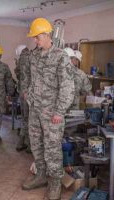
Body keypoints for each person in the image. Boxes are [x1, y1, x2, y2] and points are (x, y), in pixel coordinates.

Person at [21, 18, 75, 200]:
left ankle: (54, 183)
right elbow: (28, 77)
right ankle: (41, 175)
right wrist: (27, 92)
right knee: (36, 145)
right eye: (34, 38)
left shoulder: (61, 56)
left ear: (47, 35)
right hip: (35, 110)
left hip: (53, 113)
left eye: (37, 37)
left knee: (52, 149)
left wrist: (60, 111)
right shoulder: (34, 55)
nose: (35, 41)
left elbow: (67, 87)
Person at [14, 45, 31, 153]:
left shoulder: (21, 59)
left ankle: (21, 142)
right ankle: (29, 146)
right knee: (31, 119)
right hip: (33, 93)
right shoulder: (34, 56)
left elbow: (19, 75)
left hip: (23, 93)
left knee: (25, 118)